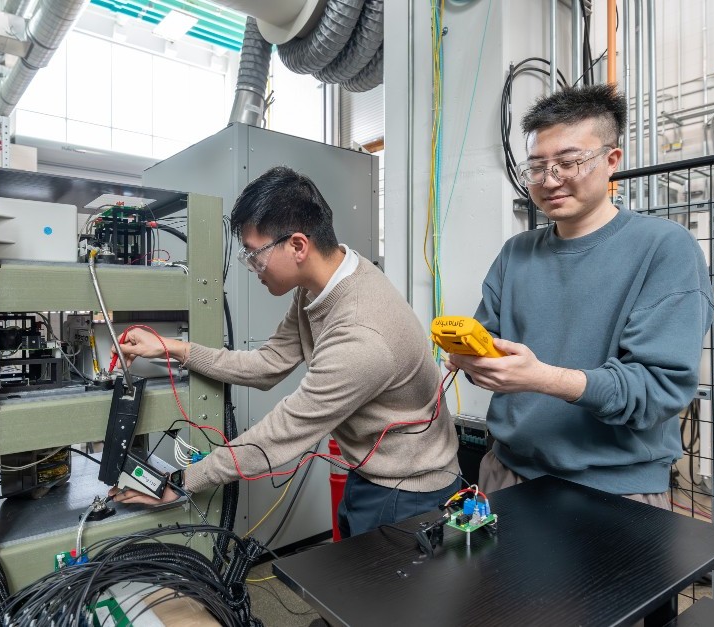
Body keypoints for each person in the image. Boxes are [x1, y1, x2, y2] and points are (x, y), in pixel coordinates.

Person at [113, 166, 461, 537]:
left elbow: (282, 433)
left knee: (384, 595)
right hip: (374, 471)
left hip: (409, 490)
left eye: (254, 255)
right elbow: (267, 365)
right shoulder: (322, 283)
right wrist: (173, 348)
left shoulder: (361, 334)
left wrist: (181, 480)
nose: (252, 268)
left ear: (298, 245)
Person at [447, 85, 713, 507]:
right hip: (507, 470)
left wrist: (543, 378)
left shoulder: (664, 248)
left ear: (611, 161)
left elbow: (658, 389)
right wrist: (471, 359)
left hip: (614, 488)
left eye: (568, 163)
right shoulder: (517, 253)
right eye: (537, 166)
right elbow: (491, 345)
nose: (550, 180)